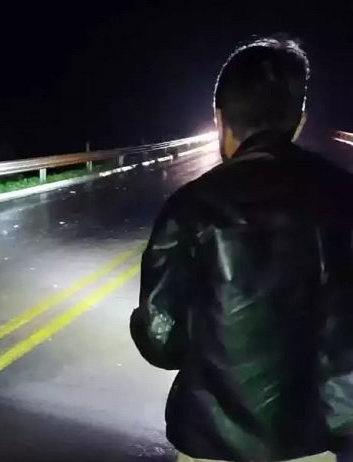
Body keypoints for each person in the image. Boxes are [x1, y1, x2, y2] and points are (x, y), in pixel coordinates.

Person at [130, 36, 353, 462]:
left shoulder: (191, 207)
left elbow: (162, 341)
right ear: (299, 122)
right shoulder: (345, 196)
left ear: (220, 119)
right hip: (320, 439)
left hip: (214, 442)